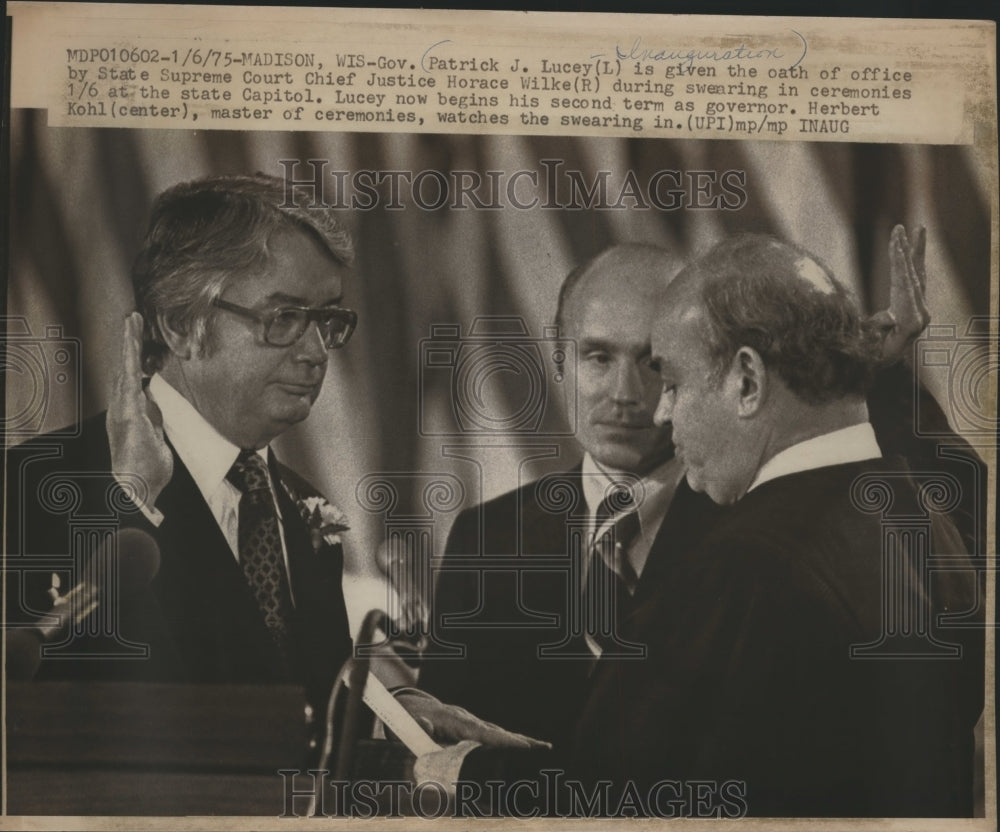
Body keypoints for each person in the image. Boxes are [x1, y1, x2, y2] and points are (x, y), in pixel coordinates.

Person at [416, 228, 983, 756]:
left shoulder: (761, 519)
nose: (627, 393)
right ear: (560, 361)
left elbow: (951, 504)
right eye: (598, 357)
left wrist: (857, 369)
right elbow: (444, 739)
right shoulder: (487, 536)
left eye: (655, 365)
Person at [569, 232, 982, 815]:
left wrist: (465, 770)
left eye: (673, 383)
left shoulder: (742, 566)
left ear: (747, 382)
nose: (660, 412)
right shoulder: (931, 520)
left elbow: (619, 792)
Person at [5, 174, 357, 707]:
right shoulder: (31, 485)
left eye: (326, 319)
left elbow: (310, 717)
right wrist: (131, 503)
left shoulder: (302, 507)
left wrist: (389, 715)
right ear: (179, 325)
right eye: (285, 317)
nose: (316, 352)